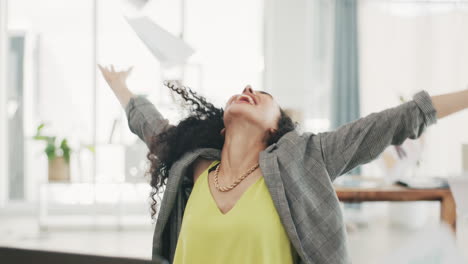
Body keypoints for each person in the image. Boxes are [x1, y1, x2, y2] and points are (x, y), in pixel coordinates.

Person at [98, 64, 468, 264]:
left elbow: (395, 121)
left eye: (263, 95)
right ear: (223, 122)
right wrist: (120, 87)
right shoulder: (191, 167)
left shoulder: (303, 161)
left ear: (278, 126)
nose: (248, 89)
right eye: (243, 91)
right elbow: (152, 126)